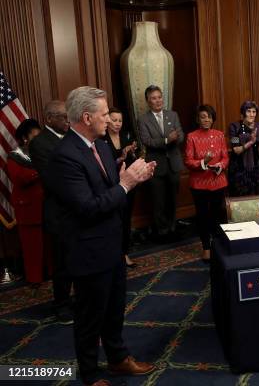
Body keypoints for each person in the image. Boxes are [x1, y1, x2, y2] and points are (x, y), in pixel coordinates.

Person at [46, 86, 156, 386]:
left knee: (114, 309)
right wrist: (125, 185)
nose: (109, 119)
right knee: (89, 317)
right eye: (105, 114)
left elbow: (112, 188)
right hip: (87, 250)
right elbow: (88, 207)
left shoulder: (104, 147)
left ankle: (118, 359)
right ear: (86, 117)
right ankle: (91, 374)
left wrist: (133, 175)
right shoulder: (65, 156)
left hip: (112, 245)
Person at [29, 100, 73, 324]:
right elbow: (51, 179)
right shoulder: (39, 144)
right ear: (49, 119)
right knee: (62, 263)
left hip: (78, 210)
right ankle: (62, 305)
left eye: (69, 116)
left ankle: (78, 299)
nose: (68, 120)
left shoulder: (72, 137)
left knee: (78, 259)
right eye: (63, 117)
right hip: (58, 213)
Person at [137, 85, 184, 240]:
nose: (158, 101)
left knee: (172, 199)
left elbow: (181, 135)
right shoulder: (143, 119)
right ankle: (162, 232)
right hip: (156, 166)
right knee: (158, 201)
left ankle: (172, 227)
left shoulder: (173, 115)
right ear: (148, 101)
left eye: (159, 97)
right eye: (154, 98)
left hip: (174, 165)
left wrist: (176, 138)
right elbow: (147, 141)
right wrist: (166, 140)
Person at [184, 105, 229, 261]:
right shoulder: (192, 136)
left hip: (218, 181)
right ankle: (206, 248)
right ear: (198, 119)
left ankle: (218, 245)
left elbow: (225, 157)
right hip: (199, 183)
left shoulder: (219, 135)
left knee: (219, 215)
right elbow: (188, 161)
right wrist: (204, 162)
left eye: (209, 116)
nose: (206, 119)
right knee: (203, 216)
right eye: (203, 116)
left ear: (213, 119)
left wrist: (220, 166)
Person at [7, 119, 46, 285]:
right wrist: (41, 169)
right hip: (27, 209)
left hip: (46, 206)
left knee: (48, 245)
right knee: (32, 248)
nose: (39, 138)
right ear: (24, 138)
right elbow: (19, 178)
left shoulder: (41, 152)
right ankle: (35, 278)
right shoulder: (15, 156)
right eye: (35, 135)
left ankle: (49, 273)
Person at [103, 107, 138, 268]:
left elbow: (132, 160)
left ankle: (125, 253)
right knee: (113, 220)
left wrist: (131, 152)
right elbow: (104, 165)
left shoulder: (126, 136)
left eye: (120, 120)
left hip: (128, 184)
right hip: (111, 186)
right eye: (114, 120)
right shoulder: (101, 139)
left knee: (126, 219)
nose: (117, 124)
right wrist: (120, 157)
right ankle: (113, 254)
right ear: (107, 120)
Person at [228, 100, 259, 196]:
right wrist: (250, 142)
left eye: (254, 112)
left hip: (256, 170)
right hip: (239, 170)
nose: (251, 114)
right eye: (248, 111)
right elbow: (235, 149)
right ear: (243, 113)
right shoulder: (234, 127)